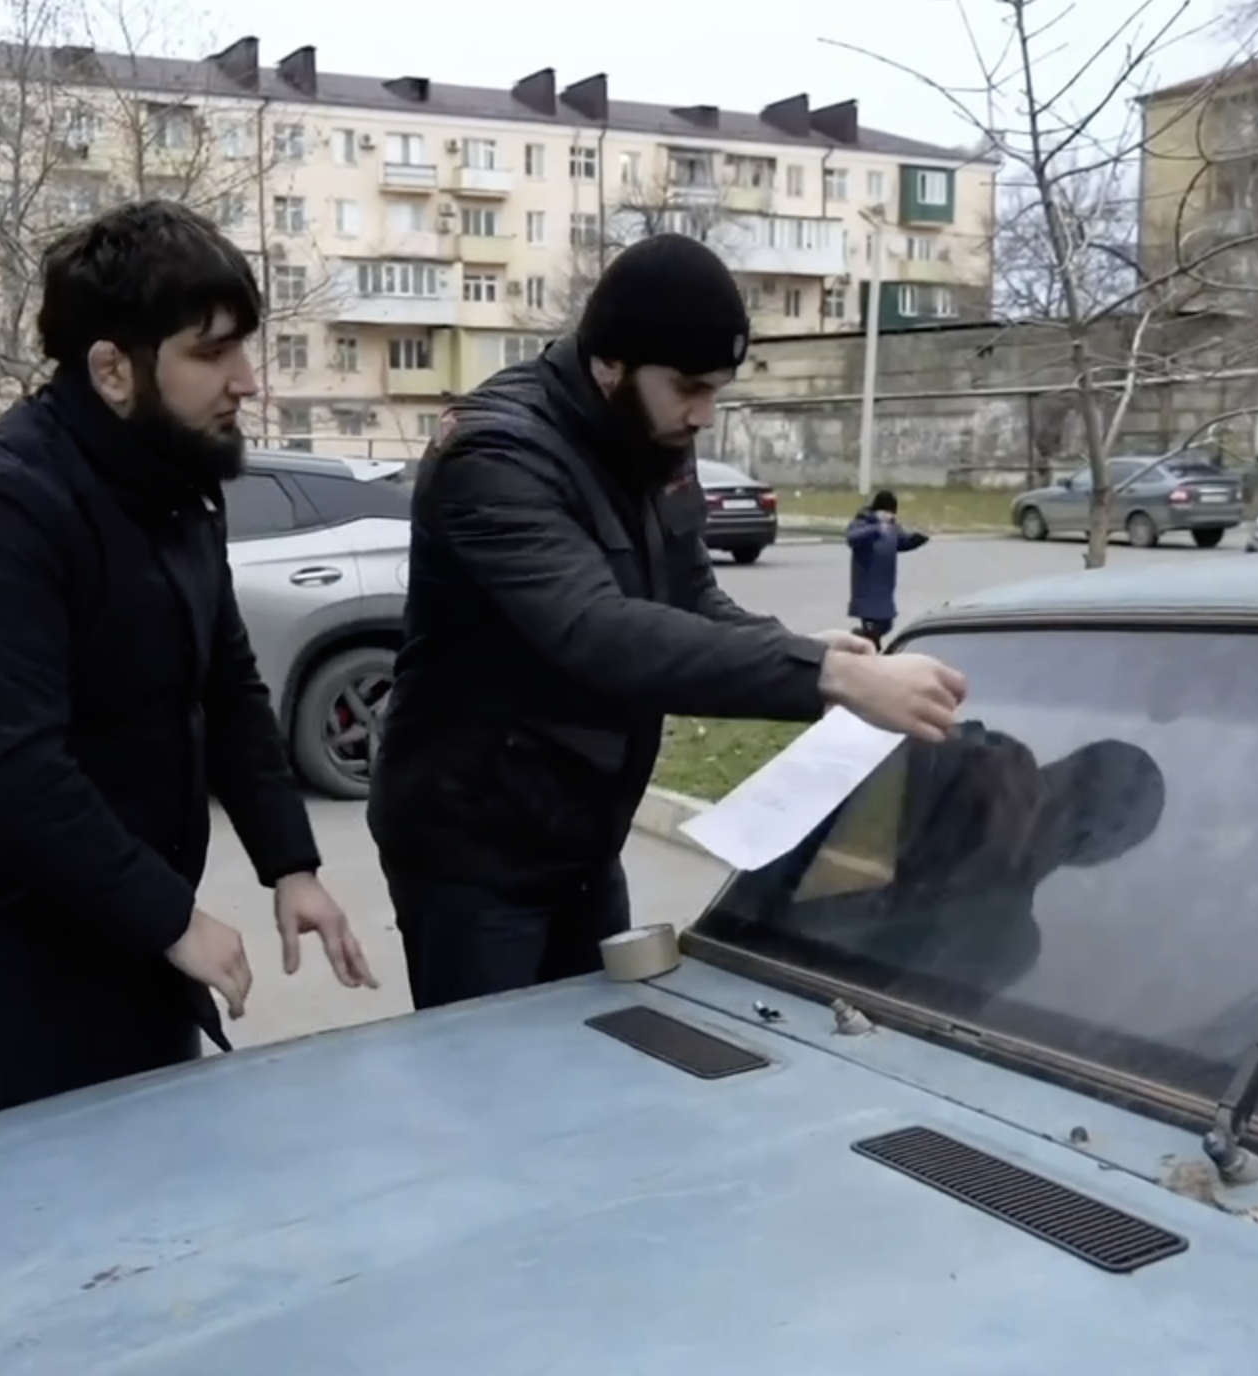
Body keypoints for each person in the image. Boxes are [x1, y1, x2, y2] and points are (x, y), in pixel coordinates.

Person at [0, 201, 376, 1133]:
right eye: (212, 352)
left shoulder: (174, 483)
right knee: (56, 1219)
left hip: (133, 949)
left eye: (243, 346)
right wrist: (173, 919)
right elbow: (12, 771)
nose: (246, 381)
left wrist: (289, 866)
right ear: (112, 368)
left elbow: (227, 686)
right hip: (1, 991)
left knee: (164, 1192)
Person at [368, 232, 970, 1013]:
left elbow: (690, 599)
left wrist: (794, 649)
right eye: (689, 387)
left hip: (582, 838)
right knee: (493, 1075)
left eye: (717, 389)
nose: (703, 415)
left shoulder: (652, 435)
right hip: (474, 853)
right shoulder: (493, 455)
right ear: (609, 364)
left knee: (599, 1052)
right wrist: (832, 676)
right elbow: (595, 631)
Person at [845, 489, 930, 649]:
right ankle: (866, 651)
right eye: (887, 512)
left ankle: (859, 640)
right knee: (872, 635)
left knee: (886, 624)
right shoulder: (862, 522)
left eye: (892, 513)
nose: (890, 516)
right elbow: (852, 538)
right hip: (866, 589)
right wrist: (876, 529)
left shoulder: (891, 527)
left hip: (885, 588)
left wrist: (920, 537)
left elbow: (903, 541)